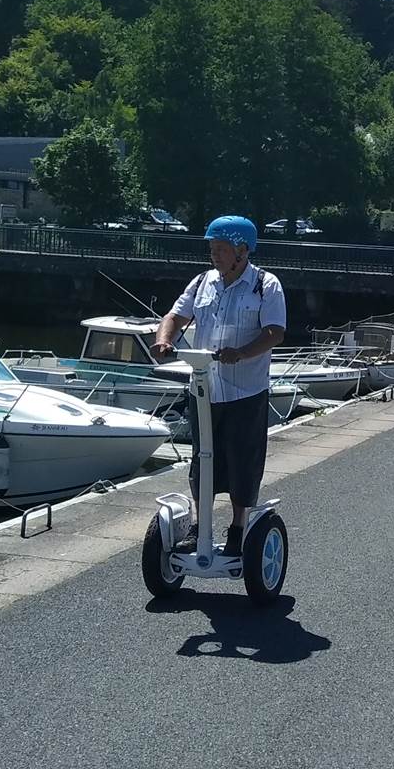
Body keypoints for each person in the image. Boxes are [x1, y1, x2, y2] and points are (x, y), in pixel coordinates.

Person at [152, 215, 285, 557]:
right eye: (212, 248)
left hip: (245, 392)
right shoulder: (202, 282)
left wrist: (241, 353)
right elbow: (174, 316)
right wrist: (164, 340)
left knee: (242, 461)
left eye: (222, 249)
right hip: (204, 389)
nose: (215, 255)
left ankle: (239, 528)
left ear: (243, 251)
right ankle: (201, 527)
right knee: (202, 460)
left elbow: (274, 332)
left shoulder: (265, 285)